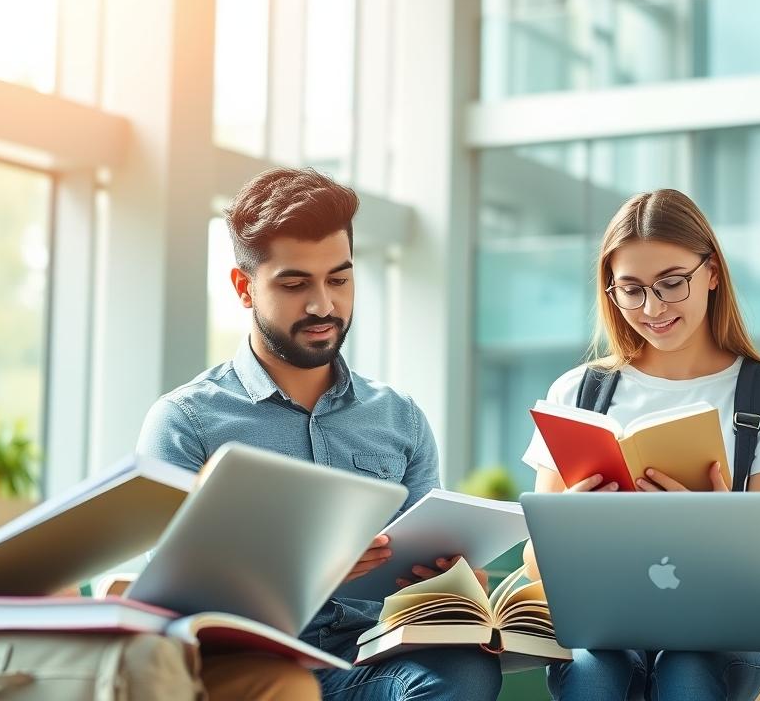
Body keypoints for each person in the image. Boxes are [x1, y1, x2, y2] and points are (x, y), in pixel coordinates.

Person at [137, 168, 501, 701]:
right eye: (294, 284)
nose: (323, 306)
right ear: (244, 288)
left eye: (339, 279)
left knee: (465, 672)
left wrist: (454, 587)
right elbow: (165, 608)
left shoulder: (399, 418)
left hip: (375, 658)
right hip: (250, 669)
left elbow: (424, 571)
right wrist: (307, 572)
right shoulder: (187, 422)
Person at [521, 188, 760, 701]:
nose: (652, 308)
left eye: (671, 284)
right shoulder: (577, 392)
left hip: (720, 624)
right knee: (595, 677)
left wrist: (713, 527)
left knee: (688, 672)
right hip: (604, 624)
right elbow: (534, 562)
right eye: (631, 289)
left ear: (712, 272)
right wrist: (566, 529)